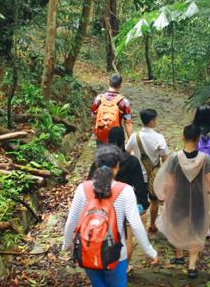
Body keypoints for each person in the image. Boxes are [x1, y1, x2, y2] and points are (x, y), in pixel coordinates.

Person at [63, 145, 159, 287]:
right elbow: (136, 225)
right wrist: (150, 251)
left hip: (88, 249)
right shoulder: (125, 191)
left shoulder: (82, 189)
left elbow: (71, 222)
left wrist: (68, 244)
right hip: (116, 253)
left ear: (96, 165)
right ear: (117, 166)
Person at [153, 124, 210, 279]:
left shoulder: (174, 158)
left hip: (178, 199)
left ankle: (179, 256)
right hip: (199, 200)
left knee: (176, 226)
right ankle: (191, 266)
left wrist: (163, 196)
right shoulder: (205, 160)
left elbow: (167, 181)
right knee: (195, 230)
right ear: (198, 139)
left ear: (183, 137)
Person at [87, 127, 149, 271]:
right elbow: (140, 186)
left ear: (108, 140)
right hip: (125, 203)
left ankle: (102, 262)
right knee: (126, 238)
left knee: (103, 234)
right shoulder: (132, 161)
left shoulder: (100, 160)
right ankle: (123, 267)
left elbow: (90, 181)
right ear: (124, 140)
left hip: (103, 203)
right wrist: (142, 204)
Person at [125, 108, 169, 233]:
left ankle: (138, 227)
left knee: (139, 201)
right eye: (155, 119)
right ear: (151, 121)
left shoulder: (135, 136)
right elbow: (165, 158)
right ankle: (152, 224)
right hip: (154, 176)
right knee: (154, 201)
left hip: (138, 176)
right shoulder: (159, 138)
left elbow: (127, 152)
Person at [91, 74, 133, 144]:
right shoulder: (124, 101)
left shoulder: (98, 99)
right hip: (117, 136)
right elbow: (128, 122)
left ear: (109, 83)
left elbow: (94, 116)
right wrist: (131, 142)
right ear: (120, 85)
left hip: (101, 133)